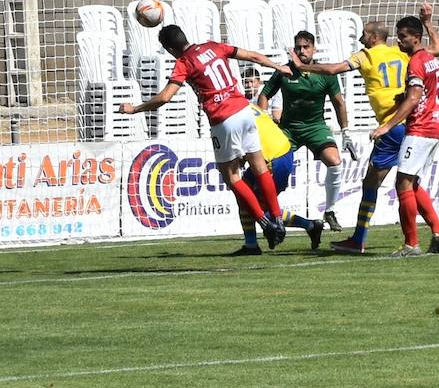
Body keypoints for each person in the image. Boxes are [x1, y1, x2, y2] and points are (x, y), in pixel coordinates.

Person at [290, 4, 439, 254]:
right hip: (413, 125)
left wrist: (302, 66)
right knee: (411, 183)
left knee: (372, 184)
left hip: (393, 128)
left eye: (364, 35)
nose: (361, 39)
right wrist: (428, 23)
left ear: (373, 37)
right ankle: (437, 229)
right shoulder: (401, 52)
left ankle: (363, 239)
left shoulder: (365, 55)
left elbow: (333, 69)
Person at [121, 24, 293, 248]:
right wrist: (277, 66)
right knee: (260, 167)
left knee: (232, 177)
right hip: (245, 111)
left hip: (224, 119)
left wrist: (134, 109)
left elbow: (165, 97)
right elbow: (251, 55)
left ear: (169, 49)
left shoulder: (184, 62)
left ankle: (265, 222)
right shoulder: (213, 46)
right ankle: (278, 218)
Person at [369, 15, 439, 258]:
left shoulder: (416, 62)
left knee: (402, 184)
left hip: (420, 128)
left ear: (415, 37)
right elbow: (433, 88)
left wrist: (387, 125)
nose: (399, 40)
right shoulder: (430, 59)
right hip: (434, 126)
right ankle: (438, 231)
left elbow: (415, 97)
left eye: (403, 36)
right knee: (412, 181)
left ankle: (410, 244)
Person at [259, 30, 353, 232]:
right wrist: (264, 120)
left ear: (313, 49)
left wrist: (345, 131)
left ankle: (330, 211)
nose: (302, 51)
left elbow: (339, 103)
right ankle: (270, 211)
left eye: (305, 47)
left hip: (315, 127)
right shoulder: (284, 71)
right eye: (298, 47)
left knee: (335, 162)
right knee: (274, 171)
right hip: (288, 130)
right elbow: (265, 95)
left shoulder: (325, 73)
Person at [233, 106, 325, 255]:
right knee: (244, 197)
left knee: (255, 207)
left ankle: (309, 225)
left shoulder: (231, 112)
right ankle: (251, 244)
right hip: (281, 150)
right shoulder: (246, 104)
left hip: (271, 159)